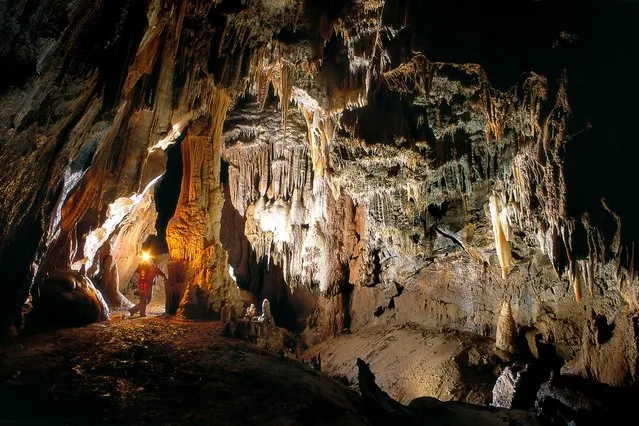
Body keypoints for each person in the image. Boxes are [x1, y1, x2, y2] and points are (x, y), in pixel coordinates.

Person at [128, 252, 167, 318]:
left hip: (150, 286)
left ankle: (133, 310)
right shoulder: (144, 269)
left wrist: (164, 276)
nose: (150, 262)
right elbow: (142, 278)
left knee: (148, 300)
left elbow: (159, 271)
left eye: (150, 261)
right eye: (149, 261)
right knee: (143, 300)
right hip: (144, 286)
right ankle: (141, 313)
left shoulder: (154, 267)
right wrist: (141, 288)